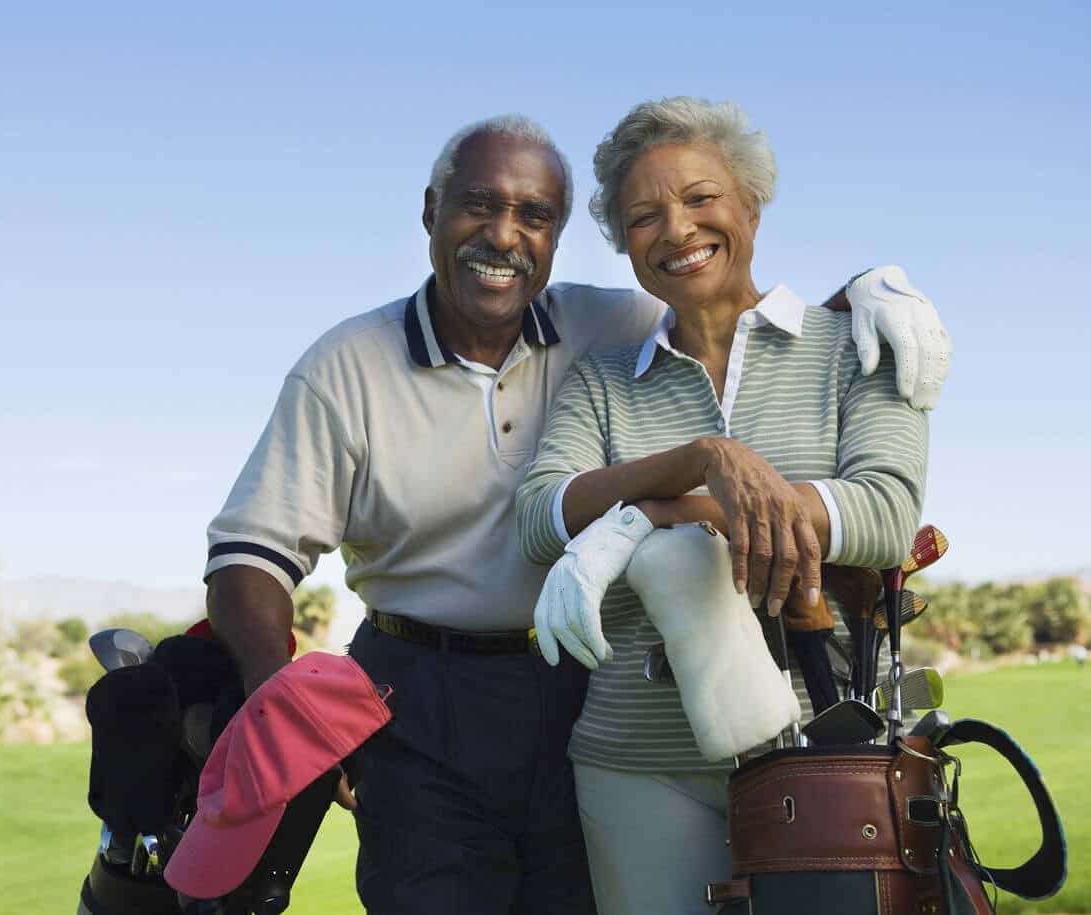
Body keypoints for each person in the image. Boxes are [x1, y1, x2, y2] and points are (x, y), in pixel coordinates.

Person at [203, 114, 949, 914]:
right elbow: (254, 551)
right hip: (421, 691)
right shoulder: (353, 365)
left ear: (556, 237)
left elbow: (733, 301)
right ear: (430, 212)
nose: (503, 235)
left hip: (569, 677)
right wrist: (270, 692)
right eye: (477, 206)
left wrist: (875, 280)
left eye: (533, 215)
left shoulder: (610, 325)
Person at [515, 97, 931, 913]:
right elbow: (539, 517)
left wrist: (650, 514)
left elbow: (882, 513)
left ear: (750, 202)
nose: (675, 228)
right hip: (635, 761)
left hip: (825, 752)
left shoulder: (858, 344)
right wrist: (707, 461)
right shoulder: (601, 381)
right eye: (643, 215)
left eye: (700, 198)